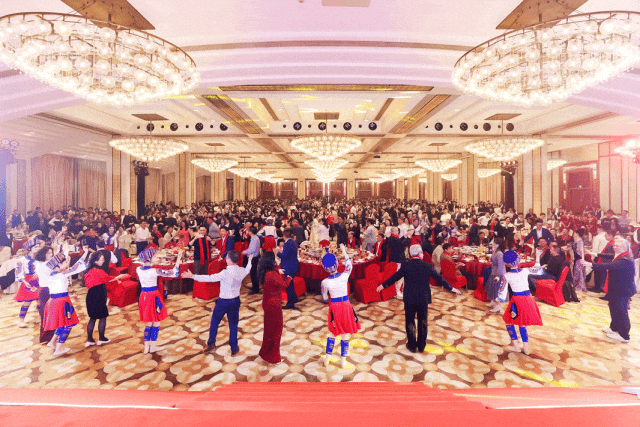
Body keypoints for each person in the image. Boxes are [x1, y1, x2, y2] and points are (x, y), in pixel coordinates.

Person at [377, 244, 460, 353]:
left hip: (409, 297)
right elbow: (440, 279)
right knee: (422, 321)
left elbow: (395, 277)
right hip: (423, 298)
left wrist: (383, 285)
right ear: (420, 253)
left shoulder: (406, 265)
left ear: (411, 254)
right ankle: (421, 346)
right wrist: (452, 288)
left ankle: (411, 345)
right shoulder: (427, 266)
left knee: (410, 321)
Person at [183, 251, 253, 355]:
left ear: (229, 260)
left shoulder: (225, 273)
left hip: (223, 302)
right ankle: (234, 348)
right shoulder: (241, 270)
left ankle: (211, 344)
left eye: (227, 257)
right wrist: (250, 260)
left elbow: (210, 278)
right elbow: (248, 269)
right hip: (235, 301)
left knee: (214, 322)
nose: (226, 259)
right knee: (233, 325)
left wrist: (193, 276)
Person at [582, 237, 636, 343]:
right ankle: (614, 328)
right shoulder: (621, 254)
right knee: (613, 307)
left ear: (624, 247)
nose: (614, 247)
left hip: (623, 289)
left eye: (617, 246)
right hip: (617, 287)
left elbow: (610, 265)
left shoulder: (625, 259)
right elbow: (609, 256)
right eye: (614, 245)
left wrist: (591, 264)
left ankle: (624, 335)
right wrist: (594, 253)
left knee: (621, 310)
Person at [321, 244, 361, 368]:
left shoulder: (325, 282)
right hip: (346, 306)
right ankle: (343, 360)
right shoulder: (344, 276)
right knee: (345, 335)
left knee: (332, 334)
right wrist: (344, 251)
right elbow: (349, 265)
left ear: (325, 268)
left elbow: (325, 298)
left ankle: (327, 358)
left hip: (335, 308)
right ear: (337, 264)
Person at [42, 252, 90, 356]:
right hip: (62, 302)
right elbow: (77, 267)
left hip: (53, 301)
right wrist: (85, 253)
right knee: (69, 324)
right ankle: (58, 348)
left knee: (62, 323)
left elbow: (58, 290)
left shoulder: (49, 276)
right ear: (58, 265)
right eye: (64, 263)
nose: (67, 265)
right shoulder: (62, 274)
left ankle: (52, 342)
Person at [136, 247, 182, 354]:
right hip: (153, 296)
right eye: (155, 257)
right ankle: (153, 346)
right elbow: (174, 273)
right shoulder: (154, 271)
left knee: (148, 323)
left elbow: (145, 267)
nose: (158, 258)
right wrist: (179, 258)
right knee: (156, 323)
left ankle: (146, 347)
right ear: (149, 259)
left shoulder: (138, 269)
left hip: (144, 296)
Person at [501, 250, 543, 355]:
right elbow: (539, 271)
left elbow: (502, 291)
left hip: (517, 301)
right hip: (528, 299)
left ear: (506, 263)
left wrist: (499, 298)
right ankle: (526, 348)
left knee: (509, 322)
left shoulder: (506, 275)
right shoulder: (525, 270)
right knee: (522, 323)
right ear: (518, 260)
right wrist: (538, 257)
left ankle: (516, 346)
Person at [83, 252, 129, 347]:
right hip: (99, 295)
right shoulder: (98, 271)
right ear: (95, 261)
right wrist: (119, 277)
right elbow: (108, 279)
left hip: (90, 295)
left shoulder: (88, 271)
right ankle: (102, 338)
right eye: (101, 260)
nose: (103, 261)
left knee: (92, 318)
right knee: (102, 317)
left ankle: (90, 340)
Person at [257, 252, 287, 364]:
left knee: (268, 330)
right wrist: (289, 278)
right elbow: (284, 285)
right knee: (276, 331)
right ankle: (274, 357)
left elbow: (272, 276)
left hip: (267, 303)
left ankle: (265, 352)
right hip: (274, 306)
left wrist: (278, 271)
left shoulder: (265, 272)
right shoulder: (272, 275)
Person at [14, 238, 43, 327]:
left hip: (38, 281)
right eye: (35, 247)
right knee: (27, 301)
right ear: (29, 248)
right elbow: (18, 271)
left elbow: (43, 268)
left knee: (40, 300)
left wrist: (39, 273)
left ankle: (41, 317)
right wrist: (24, 281)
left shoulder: (39, 259)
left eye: (38, 247)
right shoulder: (22, 260)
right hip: (28, 282)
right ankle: (21, 320)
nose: (38, 248)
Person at [277, 230, 300, 309]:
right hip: (293, 265)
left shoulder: (287, 243)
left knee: (288, 285)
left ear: (284, 236)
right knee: (291, 284)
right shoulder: (293, 242)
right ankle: (294, 299)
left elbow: (283, 256)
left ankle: (290, 303)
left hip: (289, 267)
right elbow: (288, 253)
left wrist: (277, 253)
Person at [486, 238, 506, 313]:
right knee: (492, 288)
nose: (493, 244)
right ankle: (493, 302)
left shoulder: (499, 254)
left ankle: (498, 307)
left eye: (494, 243)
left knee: (496, 290)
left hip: (498, 274)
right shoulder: (496, 252)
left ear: (498, 245)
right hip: (494, 272)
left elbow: (501, 266)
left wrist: (498, 276)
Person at [243, 226, 261, 294]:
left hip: (253, 258)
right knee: (253, 273)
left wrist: (245, 252)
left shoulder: (254, 239)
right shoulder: (255, 238)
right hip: (254, 257)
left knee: (253, 274)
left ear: (250, 232)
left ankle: (255, 289)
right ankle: (255, 288)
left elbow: (252, 250)